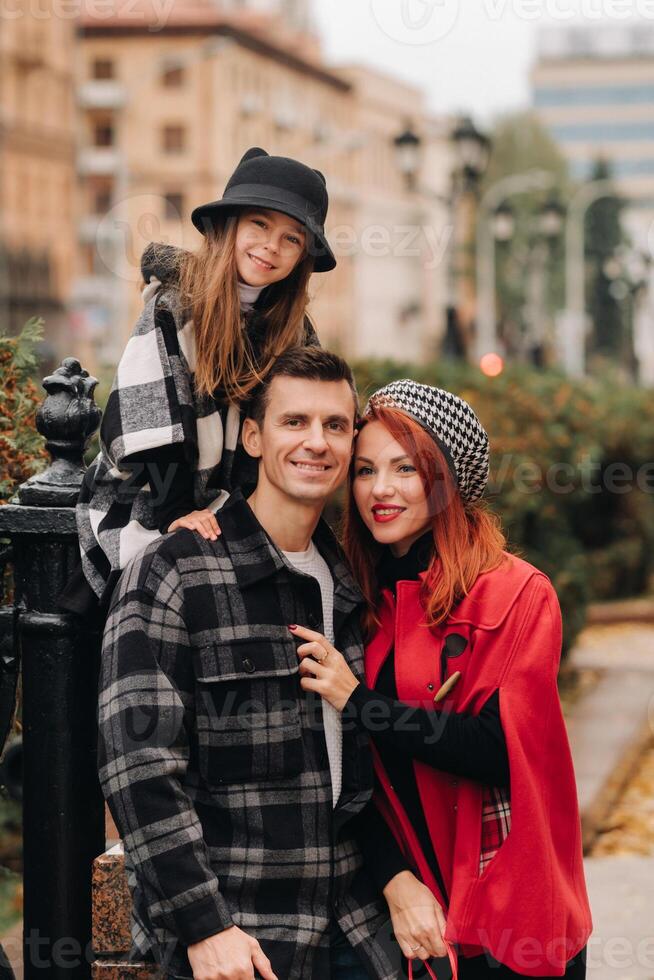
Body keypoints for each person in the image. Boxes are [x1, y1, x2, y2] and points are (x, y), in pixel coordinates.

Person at [97, 348, 398, 980]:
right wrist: (204, 927)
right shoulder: (174, 570)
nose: (317, 442)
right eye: (295, 422)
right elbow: (138, 765)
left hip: (356, 930)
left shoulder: (349, 581)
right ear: (255, 437)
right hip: (244, 942)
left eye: (336, 425)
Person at [291, 379, 593, 979]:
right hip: (408, 917)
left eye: (406, 469)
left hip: (507, 917)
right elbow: (345, 773)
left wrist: (361, 702)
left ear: (448, 480)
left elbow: (497, 750)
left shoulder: (515, 594)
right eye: (366, 469)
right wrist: (395, 878)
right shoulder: (352, 595)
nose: (380, 490)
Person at [60, 146, 336, 625]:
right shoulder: (173, 305)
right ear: (228, 227)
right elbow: (146, 416)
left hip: (238, 500)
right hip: (153, 496)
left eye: (291, 238)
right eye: (259, 226)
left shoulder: (294, 330)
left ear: (301, 257)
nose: (271, 246)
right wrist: (177, 510)